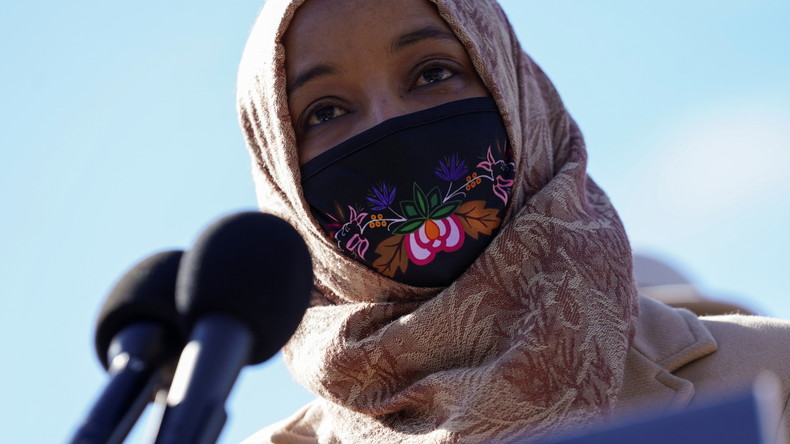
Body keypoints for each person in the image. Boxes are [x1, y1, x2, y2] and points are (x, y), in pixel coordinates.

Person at [236, 0, 790, 442]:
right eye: (325, 111)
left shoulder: (773, 376)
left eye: (432, 73)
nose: (390, 126)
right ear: (277, 163)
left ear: (515, 95)